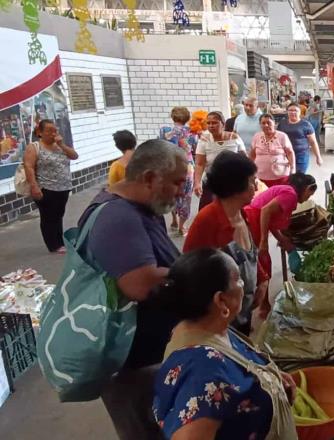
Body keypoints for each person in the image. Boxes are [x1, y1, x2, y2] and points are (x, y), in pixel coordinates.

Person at [79, 139, 188, 439]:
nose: (181, 191)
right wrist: (193, 271)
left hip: (151, 357)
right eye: (177, 182)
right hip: (133, 364)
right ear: (151, 178)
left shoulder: (142, 208)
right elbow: (139, 284)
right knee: (145, 431)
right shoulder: (118, 217)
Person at [152, 248, 297, 440]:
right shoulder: (204, 376)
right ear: (221, 300)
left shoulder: (202, 326)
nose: (244, 283)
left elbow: (235, 375)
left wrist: (271, 380)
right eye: (238, 279)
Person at [183, 151, 259, 334]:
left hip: (243, 309)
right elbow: (188, 273)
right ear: (235, 186)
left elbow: (252, 257)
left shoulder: (245, 214)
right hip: (218, 318)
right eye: (251, 181)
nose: (255, 185)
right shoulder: (207, 220)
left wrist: (262, 282)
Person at [244, 173, 317, 319]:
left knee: (261, 264)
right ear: (308, 188)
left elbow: (271, 219)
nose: (309, 198)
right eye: (310, 193)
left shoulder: (287, 192)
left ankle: (261, 305)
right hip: (253, 222)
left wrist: (283, 239)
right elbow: (265, 211)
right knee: (262, 264)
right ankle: (258, 307)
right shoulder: (290, 195)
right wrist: (264, 240)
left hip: (254, 221)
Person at [24, 119, 78, 253]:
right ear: (40, 132)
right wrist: (34, 186)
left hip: (63, 187)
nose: (53, 134)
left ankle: (59, 241)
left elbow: (74, 156)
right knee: (48, 216)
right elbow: (29, 167)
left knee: (58, 215)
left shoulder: (59, 145)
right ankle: (53, 245)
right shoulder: (34, 147)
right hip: (45, 188)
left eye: (55, 130)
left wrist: (62, 144)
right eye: (49, 131)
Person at [194, 111, 246, 210]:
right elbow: (200, 164)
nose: (211, 126)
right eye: (208, 123)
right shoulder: (204, 140)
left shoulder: (234, 137)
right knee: (208, 212)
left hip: (233, 182)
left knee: (233, 211)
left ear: (223, 124)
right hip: (211, 182)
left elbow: (244, 160)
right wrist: (197, 183)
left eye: (214, 123)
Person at [160, 106, 195, 236]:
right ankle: (182, 225)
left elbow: (161, 147)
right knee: (186, 196)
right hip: (187, 166)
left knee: (172, 193)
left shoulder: (164, 130)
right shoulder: (192, 131)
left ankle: (174, 219)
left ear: (172, 117)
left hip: (170, 166)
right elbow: (195, 148)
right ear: (187, 118)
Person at [250, 114, 296, 187]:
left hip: (280, 176)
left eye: (269, 123)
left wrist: (293, 169)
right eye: (263, 123)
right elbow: (252, 154)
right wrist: (250, 171)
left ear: (274, 123)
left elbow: (290, 152)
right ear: (260, 125)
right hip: (260, 176)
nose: (266, 125)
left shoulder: (282, 136)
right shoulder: (256, 136)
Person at [277, 103, 322, 173]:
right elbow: (277, 139)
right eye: (290, 110)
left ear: (300, 112)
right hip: (285, 156)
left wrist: (318, 157)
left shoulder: (306, 124)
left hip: (301, 156)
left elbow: (313, 142)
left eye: (295, 110)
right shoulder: (282, 124)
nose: (293, 112)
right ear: (287, 112)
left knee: (299, 178)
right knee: (286, 178)